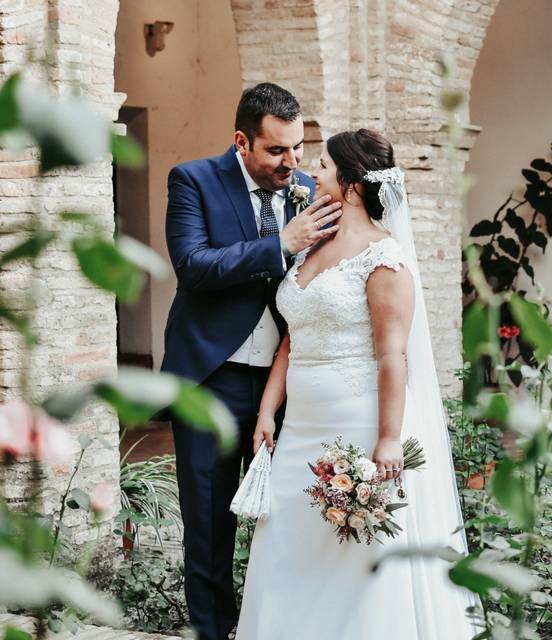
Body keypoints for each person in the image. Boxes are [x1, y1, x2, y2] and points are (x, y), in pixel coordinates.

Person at [236, 129, 477, 638]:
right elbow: (290, 341)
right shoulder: (311, 246)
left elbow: (394, 356)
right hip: (298, 428)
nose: (311, 172)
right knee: (287, 545)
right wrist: (266, 411)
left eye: (321, 165)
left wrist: (388, 439)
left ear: (348, 183)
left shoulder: (384, 258)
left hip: (355, 425)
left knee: (353, 554)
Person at [162, 82, 342, 640]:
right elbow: (194, 265)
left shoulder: (310, 190)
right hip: (211, 383)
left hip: (286, 388)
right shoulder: (193, 180)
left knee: (290, 523)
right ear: (242, 142)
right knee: (210, 529)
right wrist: (280, 244)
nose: (292, 163)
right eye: (276, 151)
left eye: (297, 148)